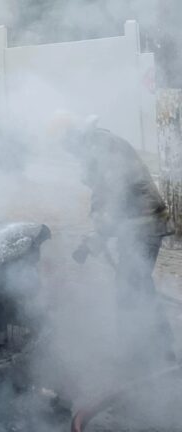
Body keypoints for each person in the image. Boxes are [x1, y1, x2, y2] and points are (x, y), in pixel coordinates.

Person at [58, 114, 175, 364]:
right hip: (135, 227)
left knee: (130, 289)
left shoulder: (102, 147)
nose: (70, 152)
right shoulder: (98, 145)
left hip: (144, 225)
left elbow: (111, 195)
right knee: (138, 286)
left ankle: (138, 355)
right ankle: (161, 350)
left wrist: (95, 238)